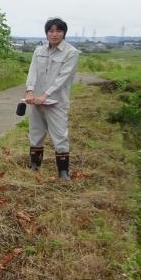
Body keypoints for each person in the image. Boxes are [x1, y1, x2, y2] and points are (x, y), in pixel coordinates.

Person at [25, 17, 80, 180]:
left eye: (58, 31)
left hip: (57, 102)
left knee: (60, 135)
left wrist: (46, 95)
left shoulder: (71, 53)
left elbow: (63, 78)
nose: (54, 34)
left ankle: (63, 172)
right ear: (46, 33)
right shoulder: (39, 51)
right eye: (51, 31)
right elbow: (32, 72)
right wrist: (30, 91)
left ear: (64, 33)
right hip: (36, 100)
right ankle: (34, 165)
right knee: (35, 132)